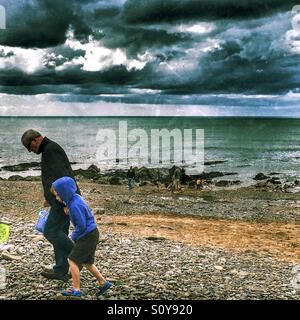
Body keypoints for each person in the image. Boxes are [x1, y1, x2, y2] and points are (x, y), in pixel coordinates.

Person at [21, 129, 78, 281]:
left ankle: (79, 255)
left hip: (62, 201)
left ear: (35, 140)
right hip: (60, 200)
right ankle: (60, 271)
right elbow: (55, 176)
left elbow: (62, 177)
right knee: (60, 233)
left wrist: (65, 201)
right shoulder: (49, 149)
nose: (30, 151)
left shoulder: (50, 150)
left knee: (51, 232)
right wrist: (49, 197)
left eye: (29, 146)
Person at [51, 176, 112, 298]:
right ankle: (103, 282)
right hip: (92, 233)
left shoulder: (74, 206)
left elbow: (82, 225)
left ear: (65, 192)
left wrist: (73, 235)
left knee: (72, 260)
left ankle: (76, 289)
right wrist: (68, 208)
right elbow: (81, 212)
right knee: (86, 261)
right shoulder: (75, 199)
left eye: (58, 195)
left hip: (87, 235)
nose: (57, 198)